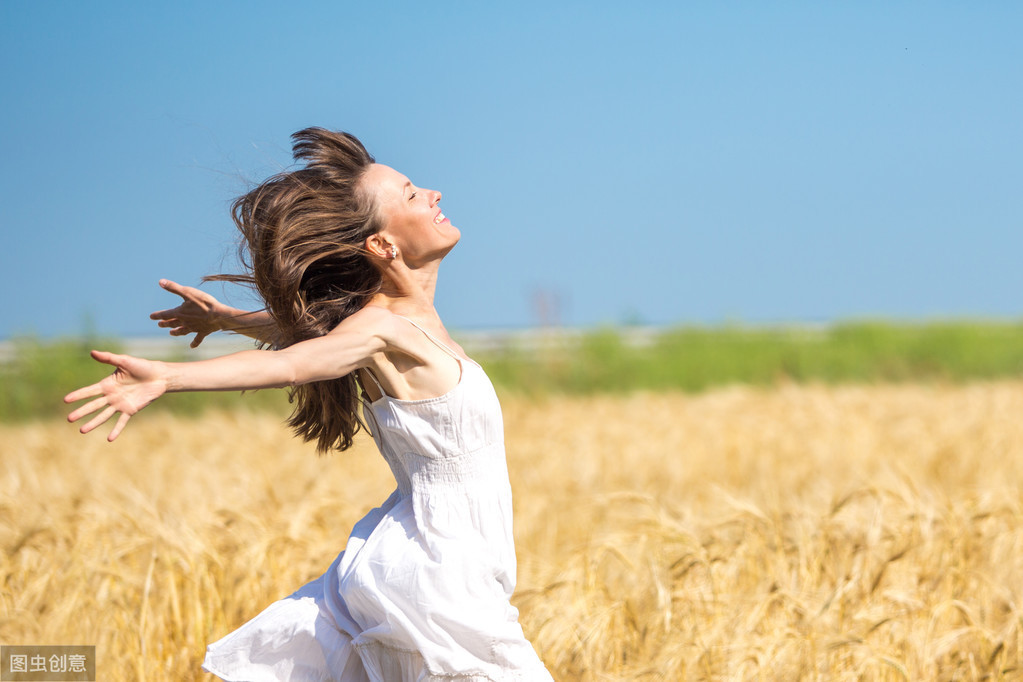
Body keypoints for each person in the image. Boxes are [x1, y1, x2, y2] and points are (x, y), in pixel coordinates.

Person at [64, 128, 554, 681]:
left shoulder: (396, 324)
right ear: (382, 246)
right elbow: (296, 362)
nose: (434, 194)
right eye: (412, 194)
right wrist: (169, 378)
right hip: (438, 576)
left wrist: (227, 319)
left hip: (444, 561)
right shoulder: (381, 329)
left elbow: (311, 331)